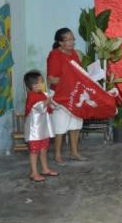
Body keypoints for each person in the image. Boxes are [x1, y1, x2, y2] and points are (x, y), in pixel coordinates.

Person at [46, 28, 87, 164]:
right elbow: (51, 79)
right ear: (60, 42)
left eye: (72, 39)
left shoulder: (74, 54)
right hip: (59, 95)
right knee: (60, 126)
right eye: (68, 39)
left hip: (74, 94)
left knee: (75, 124)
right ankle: (57, 155)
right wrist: (69, 80)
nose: (71, 42)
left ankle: (74, 152)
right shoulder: (54, 55)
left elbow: (79, 74)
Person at [23, 70, 59, 182]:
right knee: (34, 151)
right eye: (41, 82)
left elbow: (52, 107)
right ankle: (34, 173)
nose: (43, 84)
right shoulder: (32, 96)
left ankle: (45, 169)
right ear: (34, 85)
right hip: (35, 130)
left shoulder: (42, 94)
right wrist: (48, 100)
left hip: (43, 129)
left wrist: (51, 101)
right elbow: (40, 107)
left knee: (44, 149)